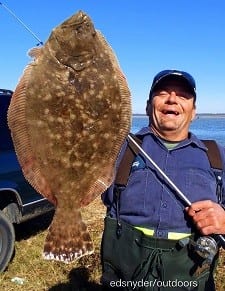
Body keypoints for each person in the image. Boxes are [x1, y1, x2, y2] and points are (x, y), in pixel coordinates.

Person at [100, 69, 225, 291]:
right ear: (148, 106)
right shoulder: (115, 150)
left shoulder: (217, 156)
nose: (172, 99)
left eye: (183, 95)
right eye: (163, 92)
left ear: (194, 111)